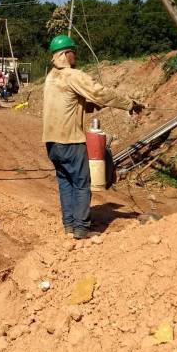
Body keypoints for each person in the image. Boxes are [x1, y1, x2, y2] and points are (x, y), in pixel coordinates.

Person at [43, 34, 143, 240]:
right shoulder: (73, 76)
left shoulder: (51, 77)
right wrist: (129, 104)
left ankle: (69, 225)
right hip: (70, 140)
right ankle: (81, 229)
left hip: (52, 142)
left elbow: (66, 103)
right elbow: (100, 92)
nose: (76, 56)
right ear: (66, 53)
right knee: (81, 184)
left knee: (65, 182)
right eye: (74, 52)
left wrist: (88, 105)